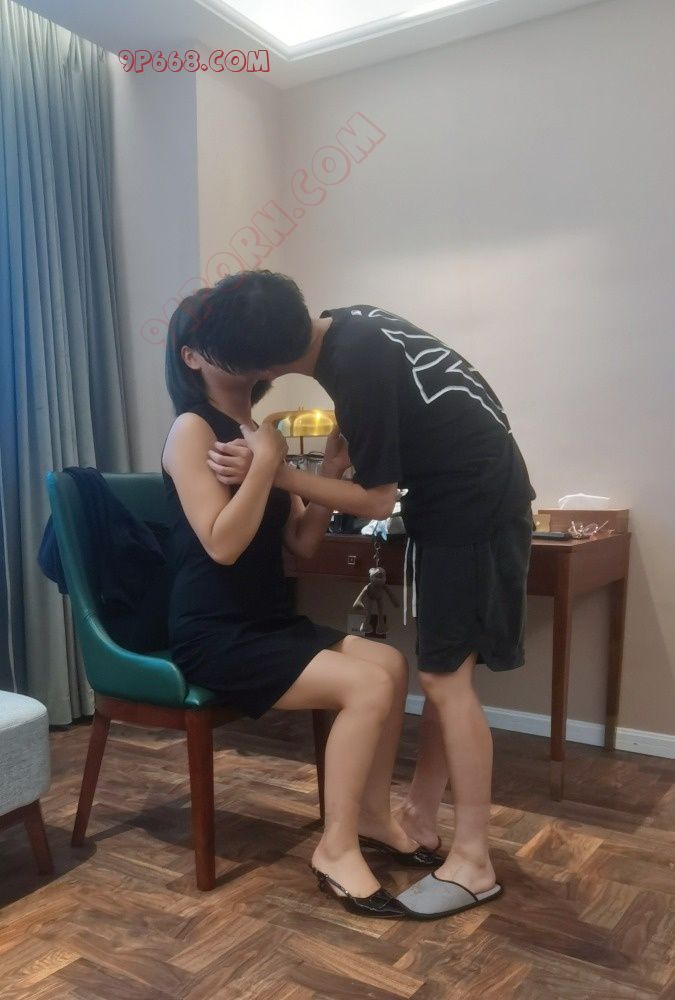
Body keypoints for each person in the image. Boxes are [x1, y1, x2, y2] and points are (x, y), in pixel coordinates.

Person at [204, 270, 536, 919]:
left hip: (472, 510)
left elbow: (378, 500)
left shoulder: (354, 366)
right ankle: (420, 812)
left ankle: (474, 861)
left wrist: (274, 471)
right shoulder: (349, 323)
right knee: (449, 670)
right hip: (478, 501)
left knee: (444, 680)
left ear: (265, 367)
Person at [161, 290, 442, 919]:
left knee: (390, 665)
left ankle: (370, 817)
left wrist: (331, 472)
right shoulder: (192, 430)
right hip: (215, 632)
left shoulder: (261, 433)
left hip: (268, 620)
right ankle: (335, 849)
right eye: (217, 336)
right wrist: (268, 465)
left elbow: (301, 545)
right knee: (366, 686)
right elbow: (222, 544)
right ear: (191, 357)